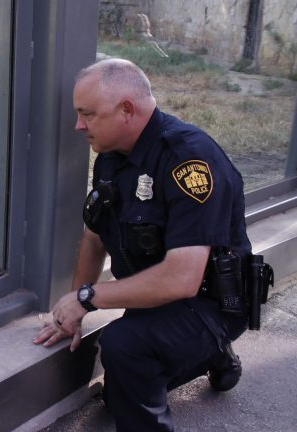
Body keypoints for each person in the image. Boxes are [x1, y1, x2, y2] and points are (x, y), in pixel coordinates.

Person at [32, 58, 251, 431]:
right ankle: (206, 356)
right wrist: (73, 313)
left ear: (127, 110)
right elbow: (94, 237)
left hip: (210, 304)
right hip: (157, 301)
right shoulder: (111, 160)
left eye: (88, 114)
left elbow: (182, 279)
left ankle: (211, 345)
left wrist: (88, 297)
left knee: (124, 347)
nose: (78, 125)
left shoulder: (189, 161)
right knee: (119, 396)